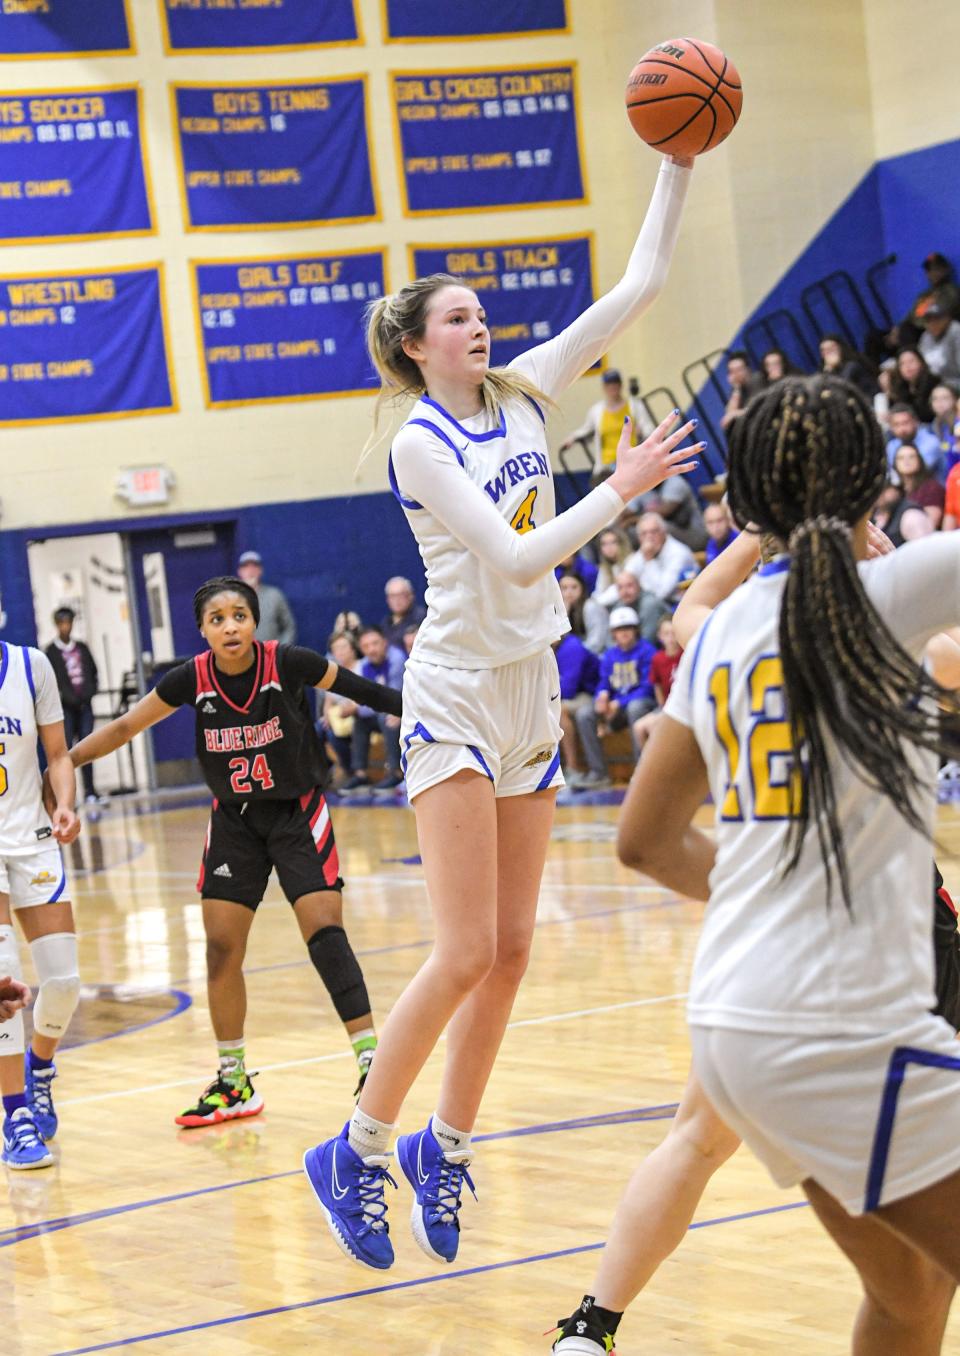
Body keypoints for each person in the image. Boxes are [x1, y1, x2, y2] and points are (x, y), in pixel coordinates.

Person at [302, 152, 700, 1273]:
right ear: (419, 344)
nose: (481, 327)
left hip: (533, 692)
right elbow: (521, 555)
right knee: (465, 946)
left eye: (483, 316)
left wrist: (675, 161)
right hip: (458, 693)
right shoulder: (420, 444)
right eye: (461, 318)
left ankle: (447, 1144)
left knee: (515, 951)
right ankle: (357, 1146)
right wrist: (618, 491)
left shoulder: (527, 390)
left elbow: (643, 282)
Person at [551, 373, 960, 1355]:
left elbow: (643, 840)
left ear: (746, 506)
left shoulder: (717, 632)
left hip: (735, 1021)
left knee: (909, 1298)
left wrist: (772, 884)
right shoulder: (901, 586)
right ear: (871, 484)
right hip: (843, 1025)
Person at [62, 577, 401, 1123]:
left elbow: (361, 691)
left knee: (323, 930)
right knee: (220, 948)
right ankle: (234, 1081)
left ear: (254, 620)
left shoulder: (289, 662)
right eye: (217, 618)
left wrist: (423, 713)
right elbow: (125, 726)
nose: (230, 626)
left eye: (239, 615)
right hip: (236, 823)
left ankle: (371, 1060)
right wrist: (61, 762)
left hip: (296, 813)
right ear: (203, 630)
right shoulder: (190, 679)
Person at [0, 641, 81, 1169]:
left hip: (32, 838)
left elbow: (57, 754)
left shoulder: (31, 666)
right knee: (2, 981)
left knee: (63, 983)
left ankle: (40, 1067)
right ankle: (15, 1116)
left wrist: (67, 804)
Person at [574, 606, 656, 786]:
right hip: (615, 706)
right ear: (613, 633)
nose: (624, 633)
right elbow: (604, 681)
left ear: (636, 630)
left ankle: (641, 771)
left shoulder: (647, 651)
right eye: (619, 629)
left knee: (636, 708)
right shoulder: (610, 655)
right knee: (584, 714)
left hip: (640, 704)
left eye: (628, 628)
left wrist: (619, 703)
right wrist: (602, 696)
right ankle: (599, 772)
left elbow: (648, 687)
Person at [340, 626, 406, 794]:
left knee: (388, 717)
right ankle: (360, 774)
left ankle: (396, 772)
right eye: (366, 646)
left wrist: (358, 708)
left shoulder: (397, 659)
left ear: (385, 643)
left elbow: (394, 700)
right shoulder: (363, 666)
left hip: (404, 712)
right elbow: (363, 699)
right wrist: (356, 708)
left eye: (375, 643)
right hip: (379, 712)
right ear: (361, 649)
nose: (372, 649)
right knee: (360, 722)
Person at [558, 368, 655, 482]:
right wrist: (572, 438)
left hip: (634, 461)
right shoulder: (596, 411)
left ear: (621, 385)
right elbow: (586, 429)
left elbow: (649, 429)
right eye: (609, 383)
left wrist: (642, 433)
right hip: (607, 468)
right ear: (604, 387)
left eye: (615, 383)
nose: (612, 386)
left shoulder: (634, 405)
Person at [45, 607, 100, 804]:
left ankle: (91, 792)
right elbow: (51, 682)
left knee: (87, 748)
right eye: (62, 623)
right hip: (65, 709)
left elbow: (93, 672)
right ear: (57, 625)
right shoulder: (50, 652)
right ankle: (67, 796)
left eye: (69, 622)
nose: (66, 627)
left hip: (85, 707)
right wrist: (65, 698)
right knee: (64, 752)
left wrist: (89, 693)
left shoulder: (82, 648)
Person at [624, 512, 697, 636]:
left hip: (676, 605)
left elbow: (662, 593)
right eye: (644, 534)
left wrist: (649, 560)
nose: (649, 537)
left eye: (654, 532)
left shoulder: (679, 553)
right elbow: (625, 577)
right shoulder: (645, 552)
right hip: (652, 601)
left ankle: (646, 649)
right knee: (622, 603)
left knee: (649, 604)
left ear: (664, 532)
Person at [553, 631, 600, 790]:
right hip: (572, 695)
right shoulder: (551, 648)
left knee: (559, 710)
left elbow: (569, 689)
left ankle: (573, 769)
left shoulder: (571, 647)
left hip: (590, 695)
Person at [629, 615, 683, 754]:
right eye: (666, 634)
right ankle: (645, 765)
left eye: (674, 633)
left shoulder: (686, 654)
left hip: (682, 705)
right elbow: (657, 685)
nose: (670, 638)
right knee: (639, 727)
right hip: (665, 705)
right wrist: (662, 706)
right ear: (660, 636)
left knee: (654, 727)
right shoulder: (658, 658)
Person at [626, 471, 707, 552]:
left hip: (693, 534)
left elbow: (664, 511)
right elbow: (625, 512)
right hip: (673, 536)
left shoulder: (675, 482)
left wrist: (631, 521)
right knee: (631, 531)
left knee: (654, 527)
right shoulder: (644, 487)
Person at [320, 631, 362, 778]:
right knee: (316, 730)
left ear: (353, 648)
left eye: (343, 647)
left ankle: (350, 771)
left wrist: (352, 708)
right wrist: (326, 715)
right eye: (336, 648)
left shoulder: (362, 667)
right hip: (338, 716)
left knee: (333, 735)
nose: (340, 651)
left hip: (358, 713)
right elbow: (328, 699)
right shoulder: (332, 670)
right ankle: (323, 771)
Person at [236, 551, 297, 645]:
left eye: (254, 567)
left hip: (272, 657)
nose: (250, 571)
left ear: (260, 571)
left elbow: (289, 627)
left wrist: (280, 651)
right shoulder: (231, 600)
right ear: (240, 572)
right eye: (246, 567)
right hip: (242, 657)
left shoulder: (274, 595)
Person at [893, 442, 945, 530]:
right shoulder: (895, 492)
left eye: (911, 457)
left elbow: (930, 524)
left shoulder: (931, 488)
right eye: (901, 458)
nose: (906, 461)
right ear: (895, 463)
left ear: (919, 460)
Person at [886, 403, 943, 478]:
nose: (902, 429)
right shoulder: (891, 446)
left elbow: (914, 471)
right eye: (896, 425)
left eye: (905, 423)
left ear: (916, 422)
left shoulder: (931, 442)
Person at [559, 571, 608, 656]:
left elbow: (597, 642)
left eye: (574, 587)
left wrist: (576, 654)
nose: (569, 592)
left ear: (582, 589)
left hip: (599, 655)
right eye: (564, 588)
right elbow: (559, 642)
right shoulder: (562, 609)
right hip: (579, 655)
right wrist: (565, 614)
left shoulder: (590, 607)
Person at [889, 346, 939, 423]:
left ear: (921, 363)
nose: (907, 366)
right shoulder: (900, 388)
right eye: (902, 364)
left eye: (911, 361)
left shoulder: (934, 384)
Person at [719, 350, 763, 430]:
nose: (736, 374)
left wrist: (734, 414)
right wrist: (736, 388)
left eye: (739, 370)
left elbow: (756, 410)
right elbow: (728, 418)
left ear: (747, 369)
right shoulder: (738, 388)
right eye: (732, 371)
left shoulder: (757, 379)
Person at [919, 303, 960, 389]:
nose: (933, 323)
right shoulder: (926, 337)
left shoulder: (956, 332)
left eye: (937, 319)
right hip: (940, 384)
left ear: (947, 319)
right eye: (928, 320)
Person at [380, 577, 426, 651]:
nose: (397, 600)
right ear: (387, 600)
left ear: (411, 596)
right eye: (392, 596)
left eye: (401, 595)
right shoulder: (386, 622)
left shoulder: (421, 617)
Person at [591, 527, 633, 599]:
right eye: (604, 544)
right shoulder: (604, 568)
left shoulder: (631, 560)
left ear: (621, 543)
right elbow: (598, 592)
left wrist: (600, 600)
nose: (609, 547)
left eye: (613, 542)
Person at [931, 383, 960, 476]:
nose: (939, 402)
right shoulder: (933, 426)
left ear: (955, 400)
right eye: (935, 399)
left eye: (945, 398)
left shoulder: (958, 423)